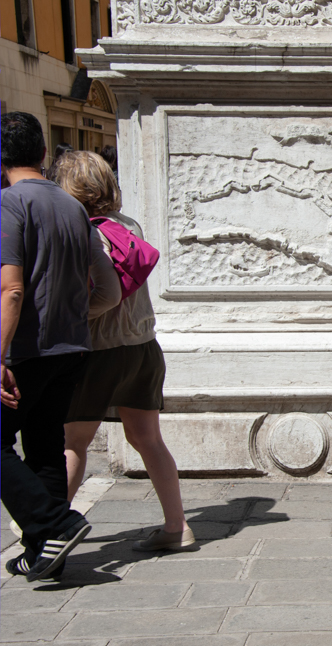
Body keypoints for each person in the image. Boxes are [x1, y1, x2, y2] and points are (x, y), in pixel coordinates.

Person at [55, 151, 195, 552]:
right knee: (149, 439)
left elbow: (105, 294)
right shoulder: (127, 225)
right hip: (143, 347)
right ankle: (177, 527)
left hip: (100, 350)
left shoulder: (84, 230)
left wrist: (76, 318)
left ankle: (47, 529)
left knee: (73, 442)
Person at [1, 113, 108, 581]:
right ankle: (43, 550)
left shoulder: (9, 204)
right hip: (71, 346)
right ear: (44, 153)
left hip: (26, 348)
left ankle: (56, 522)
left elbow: (11, 290)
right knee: (44, 447)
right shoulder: (72, 207)